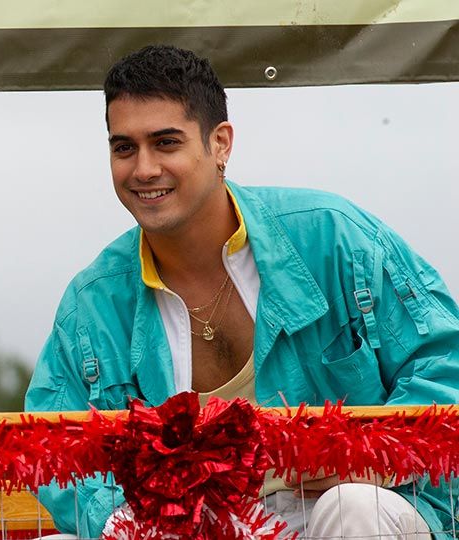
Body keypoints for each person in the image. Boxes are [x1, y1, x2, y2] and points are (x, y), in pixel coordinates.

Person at [25, 45, 459, 538]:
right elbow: (50, 447)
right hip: (187, 529)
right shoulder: (92, 302)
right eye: (124, 147)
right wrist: (132, 519)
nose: (143, 169)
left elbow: (444, 364)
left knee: (356, 508)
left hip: (346, 507)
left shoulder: (334, 237)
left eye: (166, 143)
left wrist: (362, 463)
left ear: (221, 143)